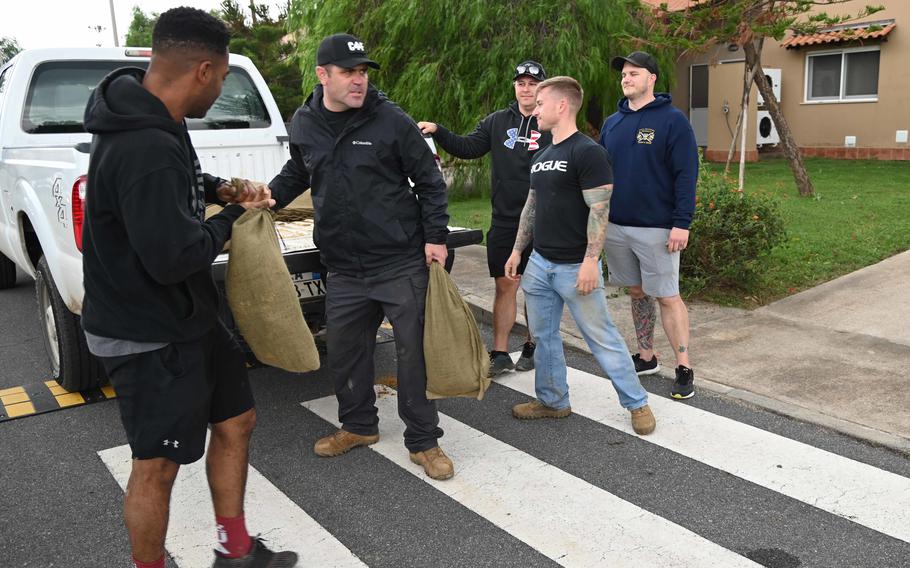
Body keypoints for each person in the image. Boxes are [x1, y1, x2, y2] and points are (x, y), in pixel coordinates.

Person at [81, 8, 297, 568]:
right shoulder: (141, 147)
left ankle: (235, 551)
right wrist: (235, 218)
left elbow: (183, 181)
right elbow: (176, 257)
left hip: (188, 317)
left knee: (237, 419)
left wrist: (221, 189)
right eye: (224, 78)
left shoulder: (160, 119)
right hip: (146, 332)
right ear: (204, 70)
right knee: (156, 465)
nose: (222, 89)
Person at [268, 34, 454, 480]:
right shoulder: (305, 121)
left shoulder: (391, 121)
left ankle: (424, 441)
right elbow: (300, 168)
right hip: (344, 266)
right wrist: (269, 198)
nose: (359, 81)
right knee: (348, 353)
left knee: (413, 355)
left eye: (363, 73)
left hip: (398, 260)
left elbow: (429, 180)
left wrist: (436, 237)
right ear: (322, 76)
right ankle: (358, 426)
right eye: (349, 72)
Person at [504, 76, 656, 436]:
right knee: (543, 337)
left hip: (575, 265)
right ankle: (553, 401)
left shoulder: (588, 152)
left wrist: (591, 261)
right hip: (540, 264)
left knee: (601, 337)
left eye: (541, 103)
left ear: (561, 106)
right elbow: (532, 206)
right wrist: (517, 250)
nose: (535, 110)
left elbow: (599, 210)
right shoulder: (542, 155)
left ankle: (637, 403)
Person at [417, 60, 552, 377]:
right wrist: (439, 131)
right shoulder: (497, 122)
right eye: (521, 82)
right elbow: (467, 146)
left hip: (543, 220)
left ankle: (533, 345)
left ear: (542, 87)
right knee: (506, 285)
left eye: (532, 83)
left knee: (536, 288)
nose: (526, 88)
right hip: (505, 220)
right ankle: (501, 352)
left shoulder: (551, 122)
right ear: (515, 87)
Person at [599, 51, 699, 400]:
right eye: (623, 73)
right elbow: (600, 173)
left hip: (658, 228)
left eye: (633, 73)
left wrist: (681, 223)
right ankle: (646, 356)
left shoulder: (673, 121)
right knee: (637, 292)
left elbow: (687, 175)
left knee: (668, 296)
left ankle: (683, 366)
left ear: (651, 78)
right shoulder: (612, 123)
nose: (626, 78)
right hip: (617, 227)